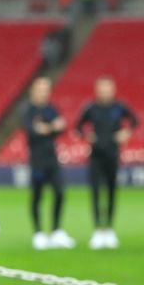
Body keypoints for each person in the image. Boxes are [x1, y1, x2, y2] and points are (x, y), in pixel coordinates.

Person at [76, 76, 138, 249]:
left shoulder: (119, 107)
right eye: (102, 89)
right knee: (95, 192)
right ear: (97, 91)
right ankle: (97, 231)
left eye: (107, 89)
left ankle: (109, 230)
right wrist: (88, 135)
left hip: (112, 156)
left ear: (112, 90)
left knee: (111, 192)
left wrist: (126, 133)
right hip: (96, 157)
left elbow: (135, 121)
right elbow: (78, 126)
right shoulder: (91, 108)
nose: (104, 92)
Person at [23, 77, 75, 250]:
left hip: (52, 159)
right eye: (41, 89)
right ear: (33, 90)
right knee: (37, 196)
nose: (44, 92)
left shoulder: (51, 108)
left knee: (60, 193)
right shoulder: (27, 110)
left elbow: (61, 126)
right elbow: (32, 130)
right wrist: (51, 127)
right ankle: (38, 233)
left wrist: (47, 128)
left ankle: (55, 231)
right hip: (37, 160)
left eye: (47, 89)